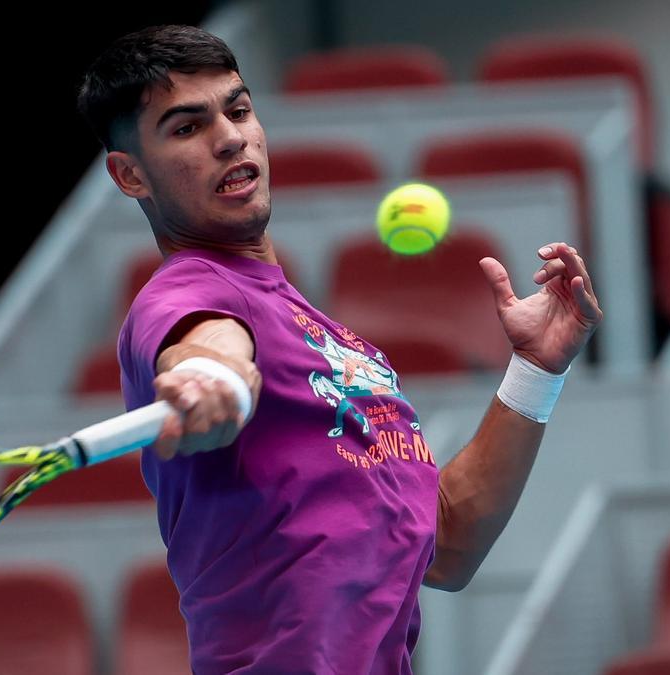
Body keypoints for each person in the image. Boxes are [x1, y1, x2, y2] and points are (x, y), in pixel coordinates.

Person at [77, 25, 602, 674]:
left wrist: (535, 371)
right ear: (131, 174)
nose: (230, 137)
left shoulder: (338, 343)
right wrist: (208, 374)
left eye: (238, 110)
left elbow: (447, 546)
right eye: (187, 128)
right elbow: (207, 338)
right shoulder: (185, 293)